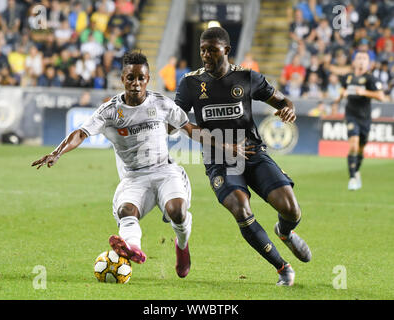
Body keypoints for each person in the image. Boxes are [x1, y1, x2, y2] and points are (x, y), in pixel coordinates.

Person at [31, 52, 246, 278]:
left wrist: (225, 145)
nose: (135, 83)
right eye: (130, 78)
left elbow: (190, 129)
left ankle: (182, 246)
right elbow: (81, 133)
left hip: (165, 171)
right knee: (126, 211)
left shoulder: (161, 103)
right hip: (134, 177)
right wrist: (57, 152)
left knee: (178, 211)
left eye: (140, 78)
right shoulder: (110, 111)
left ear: (148, 79)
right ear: (122, 78)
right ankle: (133, 248)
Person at [175, 27, 311, 286]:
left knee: (291, 210)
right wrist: (224, 146)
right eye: (202, 49)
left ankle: (285, 232)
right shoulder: (190, 83)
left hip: (251, 152)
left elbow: (283, 102)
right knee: (241, 208)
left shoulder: (248, 78)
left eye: (211, 50)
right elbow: (181, 124)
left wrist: (288, 110)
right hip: (219, 160)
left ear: (226, 50)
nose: (205, 55)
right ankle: (283, 268)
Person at [332, 51, 386, 191]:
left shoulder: (371, 79)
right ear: (354, 62)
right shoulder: (348, 77)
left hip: (365, 118)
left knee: (361, 148)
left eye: (364, 58)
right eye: (359, 58)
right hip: (351, 115)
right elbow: (342, 90)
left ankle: (356, 172)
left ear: (368, 63)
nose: (361, 61)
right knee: (353, 144)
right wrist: (340, 96)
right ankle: (352, 178)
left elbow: (381, 96)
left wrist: (365, 93)